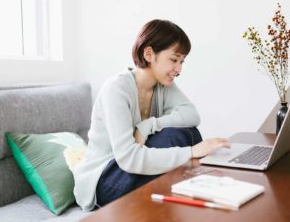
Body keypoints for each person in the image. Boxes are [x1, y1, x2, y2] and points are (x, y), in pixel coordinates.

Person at [73, 19, 230, 211]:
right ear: (149, 54)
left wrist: (148, 125)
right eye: (174, 59)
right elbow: (128, 158)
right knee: (176, 138)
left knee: (189, 133)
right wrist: (190, 154)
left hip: (130, 172)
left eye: (182, 61)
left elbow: (191, 115)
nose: (179, 69)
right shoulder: (117, 88)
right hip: (103, 181)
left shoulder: (162, 85)